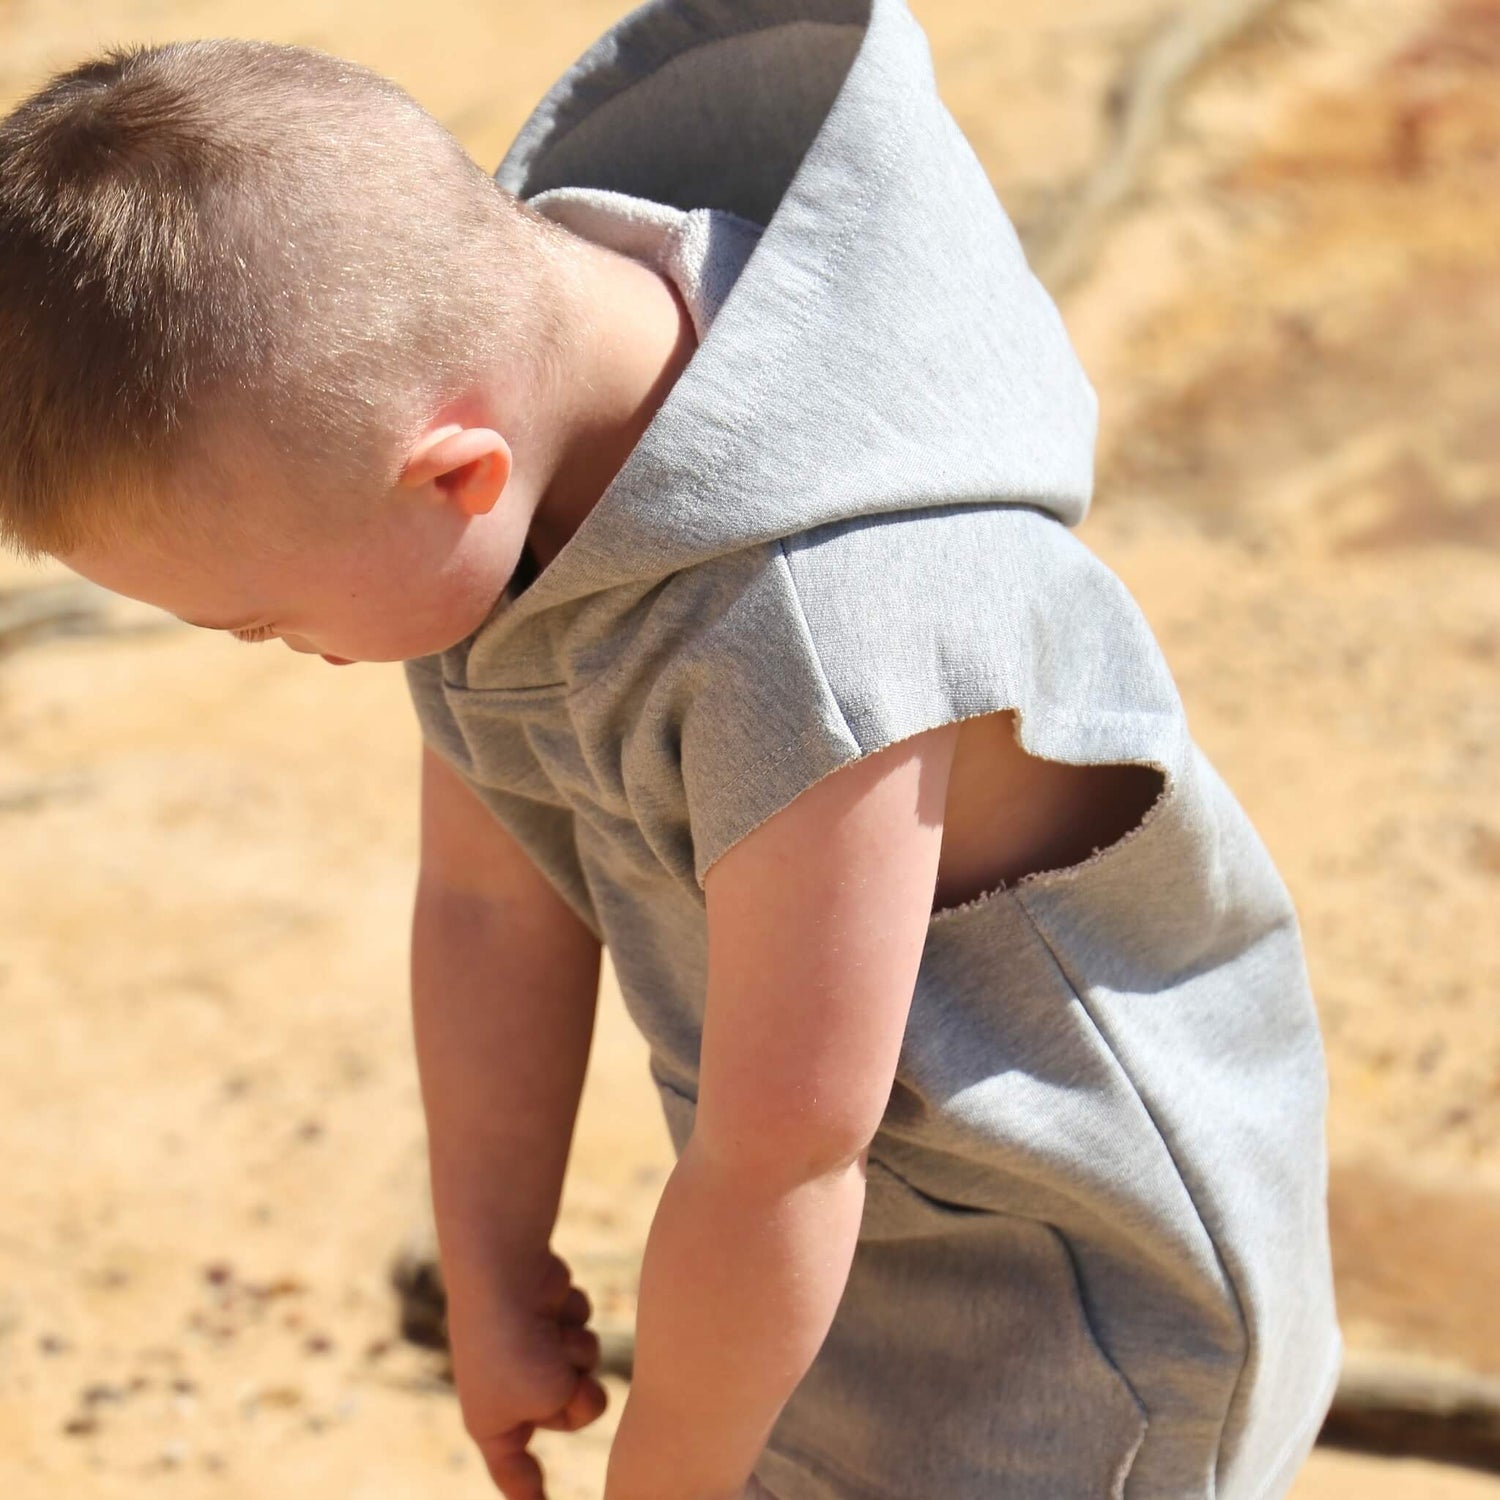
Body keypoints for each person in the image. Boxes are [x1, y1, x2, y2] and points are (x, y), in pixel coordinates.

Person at [0, 3, 1342, 1498]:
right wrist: (494, 1260)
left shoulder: (824, 627)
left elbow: (788, 1150)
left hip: (1077, 1300)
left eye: (260, 622)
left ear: (455, 475)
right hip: (822, 1249)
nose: (280, 652)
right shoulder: (473, 481)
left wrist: (663, 1481)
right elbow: (487, 902)